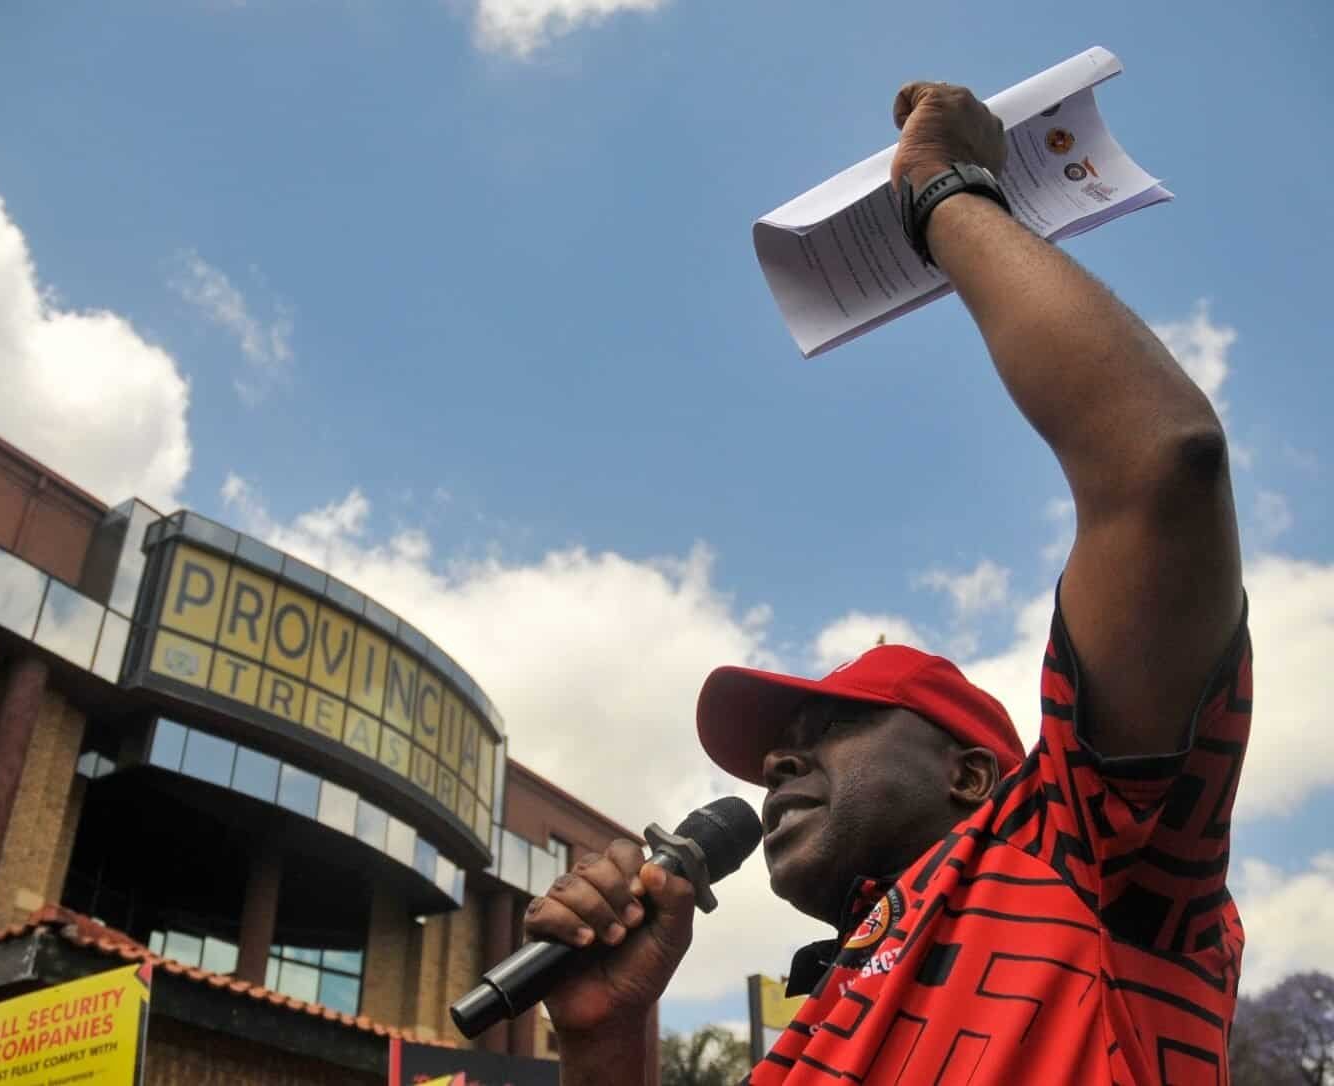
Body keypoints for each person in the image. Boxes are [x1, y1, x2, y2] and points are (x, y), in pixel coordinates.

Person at [523, 80, 1248, 1085]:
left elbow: (1159, 467)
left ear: (972, 778)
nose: (777, 765)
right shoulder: (804, 1043)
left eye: (826, 732)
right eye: (786, 747)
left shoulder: (1074, 854)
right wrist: (606, 1040)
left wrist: (943, 190)